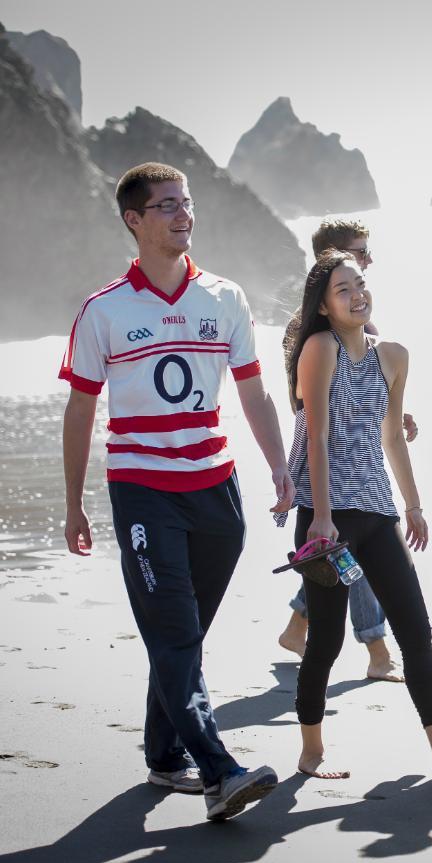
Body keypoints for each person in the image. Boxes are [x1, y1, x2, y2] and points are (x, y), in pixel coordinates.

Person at [60, 162, 292, 820]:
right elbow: (79, 411)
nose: (182, 214)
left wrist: (279, 465)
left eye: (185, 203)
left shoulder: (225, 297)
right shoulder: (103, 310)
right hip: (142, 491)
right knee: (176, 635)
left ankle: (164, 758)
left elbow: (252, 390)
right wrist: (74, 501)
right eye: (165, 206)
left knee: (181, 636)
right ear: (134, 221)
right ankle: (218, 772)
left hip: (217, 491)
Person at [280, 249, 432, 779]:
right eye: (343, 290)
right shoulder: (319, 348)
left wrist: (414, 505)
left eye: (360, 285)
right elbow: (320, 437)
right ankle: (311, 752)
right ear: (325, 306)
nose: (357, 295)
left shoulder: (394, 355)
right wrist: (322, 518)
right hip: (327, 520)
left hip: (377, 513)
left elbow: (393, 436)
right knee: (326, 641)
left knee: (416, 630)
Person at [277, 217, 417, 681]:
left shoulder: (364, 322)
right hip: (330, 474)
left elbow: (372, 392)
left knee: (344, 561)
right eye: (361, 252)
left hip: (363, 471)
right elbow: (309, 409)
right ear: (330, 259)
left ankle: (299, 627)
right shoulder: (309, 330)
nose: (368, 263)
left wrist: (395, 419)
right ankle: (377, 649)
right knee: (349, 561)